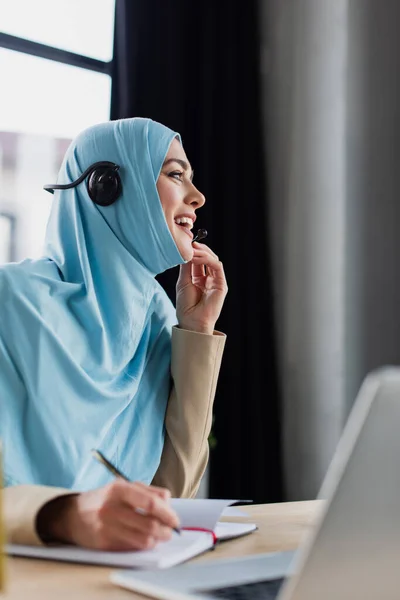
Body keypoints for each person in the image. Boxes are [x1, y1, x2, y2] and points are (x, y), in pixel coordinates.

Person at [1, 117, 227, 551]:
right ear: (106, 186)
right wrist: (65, 515)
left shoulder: (157, 318)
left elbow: (172, 494)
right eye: (176, 175)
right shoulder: (10, 300)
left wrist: (196, 334)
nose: (197, 198)